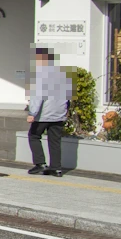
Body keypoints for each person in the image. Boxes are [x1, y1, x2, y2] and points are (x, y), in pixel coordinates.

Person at [26, 47, 72, 176]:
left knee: (34, 136)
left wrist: (32, 113)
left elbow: (37, 97)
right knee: (55, 141)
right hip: (58, 114)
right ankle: (56, 168)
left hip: (43, 115)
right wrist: (65, 112)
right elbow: (68, 98)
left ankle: (40, 163)